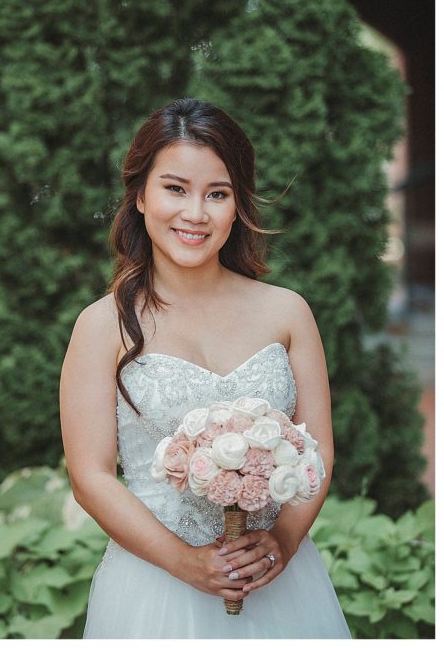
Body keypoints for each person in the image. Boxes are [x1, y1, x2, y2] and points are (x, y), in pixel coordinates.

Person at [59, 98, 351, 638]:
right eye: (175, 189)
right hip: (154, 588)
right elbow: (91, 476)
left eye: (217, 194)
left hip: (278, 584)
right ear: (140, 196)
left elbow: (321, 447)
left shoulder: (287, 312)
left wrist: (283, 542)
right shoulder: (102, 327)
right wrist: (186, 563)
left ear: (237, 205)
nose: (195, 214)